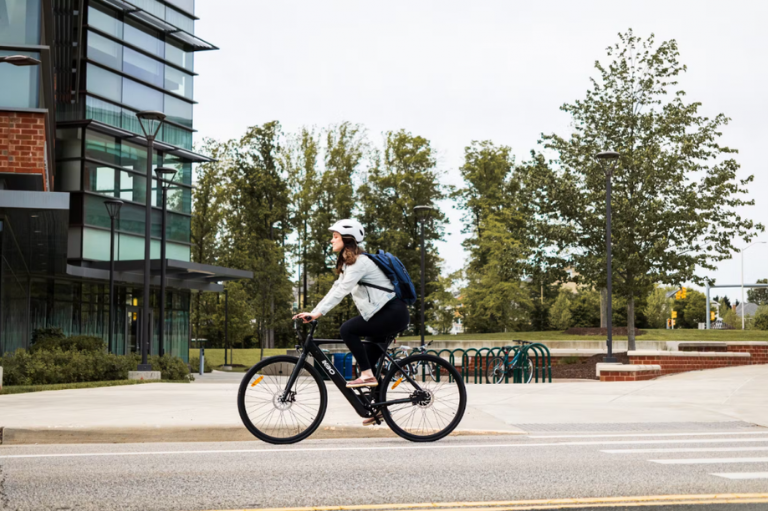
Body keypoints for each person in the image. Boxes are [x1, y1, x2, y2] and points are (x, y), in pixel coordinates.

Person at [293, 218, 410, 397]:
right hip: (384, 314)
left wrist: (317, 313)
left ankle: (368, 376)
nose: (331, 240)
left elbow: (342, 291)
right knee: (366, 366)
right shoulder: (351, 264)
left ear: (347, 238)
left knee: (347, 330)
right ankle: (377, 406)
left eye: (335, 236)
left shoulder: (360, 263)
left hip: (392, 313)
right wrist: (315, 311)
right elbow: (336, 288)